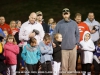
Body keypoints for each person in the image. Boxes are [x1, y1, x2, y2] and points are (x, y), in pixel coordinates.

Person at [53, 8, 80, 75]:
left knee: (72, 68)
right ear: (62, 15)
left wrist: (76, 42)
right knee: (64, 68)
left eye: (67, 14)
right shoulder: (59, 23)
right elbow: (54, 34)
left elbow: (77, 34)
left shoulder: (74, 23)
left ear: (69, 14)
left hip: (73, 48)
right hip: (63, 48)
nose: (66, 15)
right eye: (64, 14)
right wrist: (55, 43)